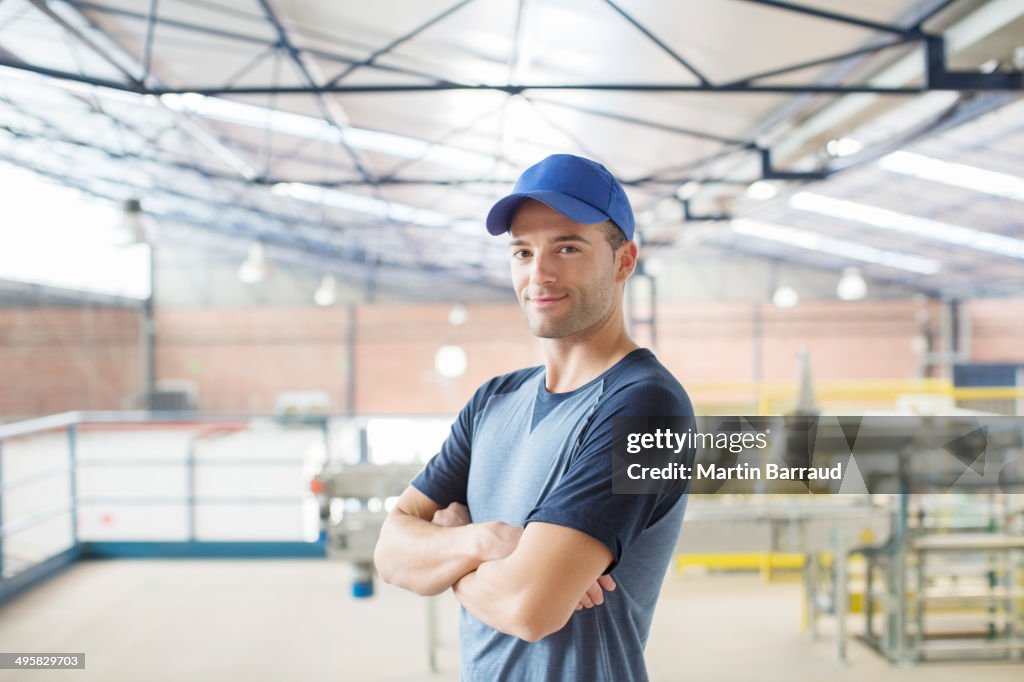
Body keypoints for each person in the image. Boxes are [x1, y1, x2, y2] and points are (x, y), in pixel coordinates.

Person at [373, 153, 694, 681]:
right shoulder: (493, 400)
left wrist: (447, 559)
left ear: (624, 261)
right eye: (523, 252)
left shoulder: (647, 408)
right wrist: (484, 542)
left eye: (567, 247)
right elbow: (391, 552)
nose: (539, 274)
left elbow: (528, 607)